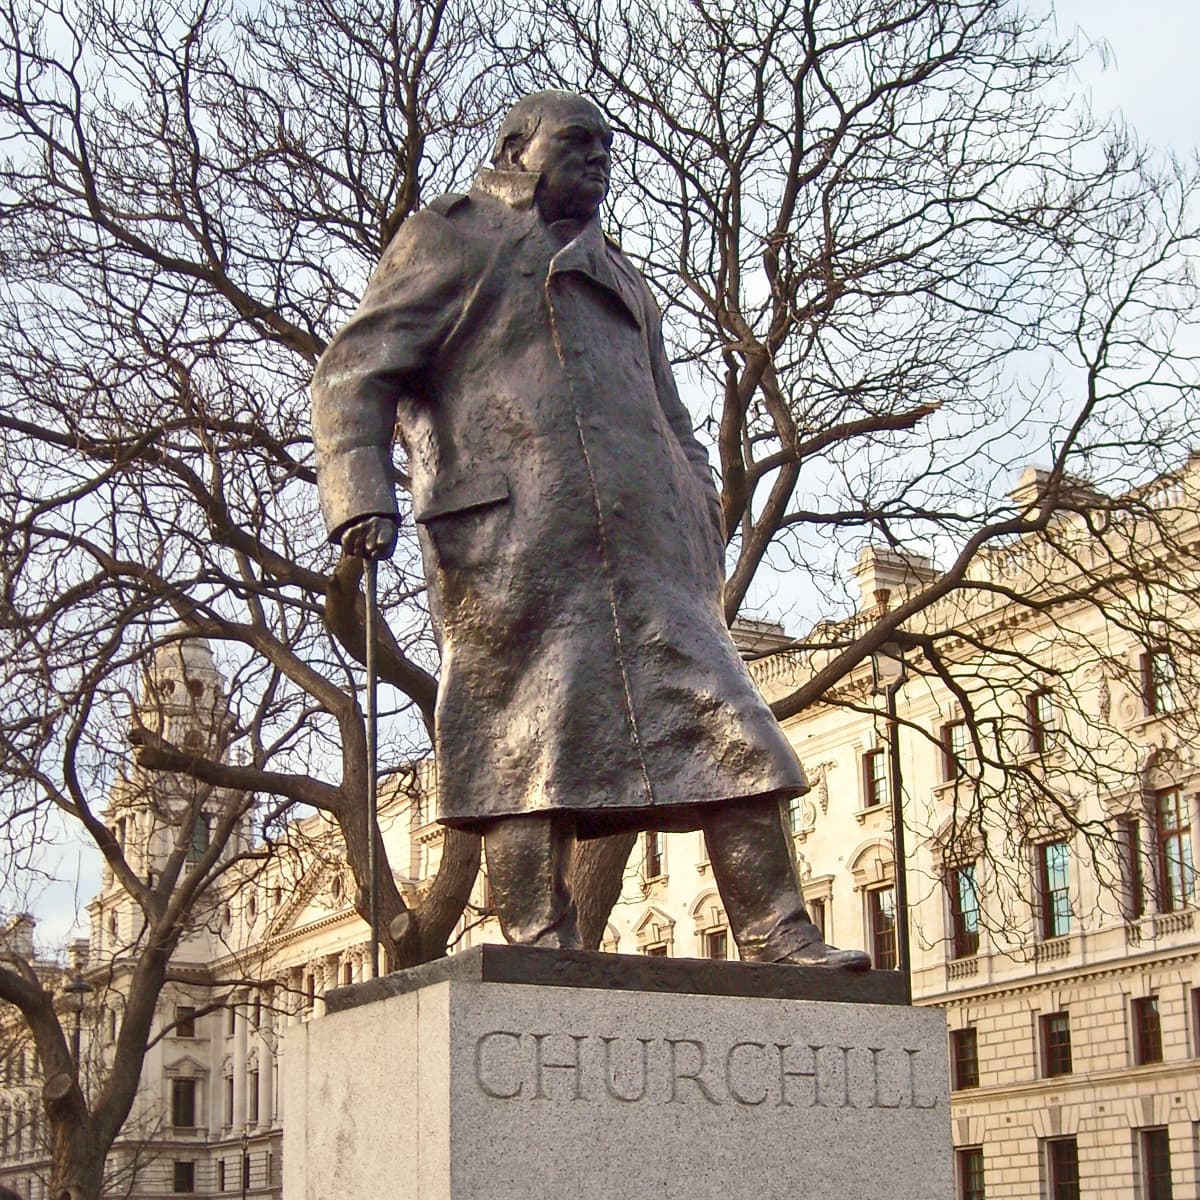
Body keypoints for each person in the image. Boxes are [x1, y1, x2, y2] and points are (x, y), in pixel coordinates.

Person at [312, 91, 869, 970]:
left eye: (610, 147)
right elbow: (352, 374)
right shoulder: (451, 237)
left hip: (650, 554)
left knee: (733, 724)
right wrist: (359, 492)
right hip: (512, 542)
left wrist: (696, 508)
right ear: (516, 149)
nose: (601, 158)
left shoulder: (624, 279)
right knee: (521, 738)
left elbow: (672, 414)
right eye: (579, 142)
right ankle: (536, 935)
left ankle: (776, 929)